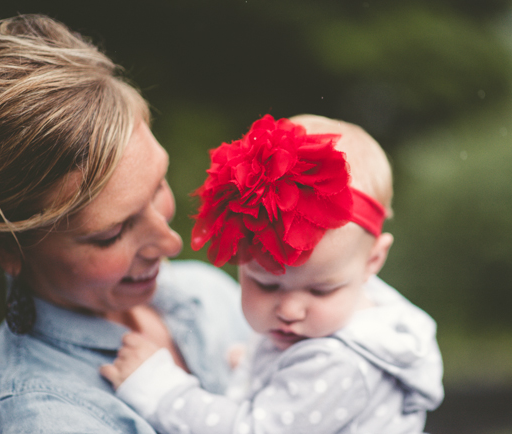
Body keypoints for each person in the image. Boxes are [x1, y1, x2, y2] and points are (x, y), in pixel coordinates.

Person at [101, 114, 445, 433]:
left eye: (321, 291)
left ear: (373, 260)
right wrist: (257, 367)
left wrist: (161, 390)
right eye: (266, 285)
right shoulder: (349, 321)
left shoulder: (341, 364)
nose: (290, 310)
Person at [0, 14, 250, 433]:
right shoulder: (49, 417)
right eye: (111, 235)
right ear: (9, 251)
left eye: (158, 187)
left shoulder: (203, 294)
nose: (170, 245)